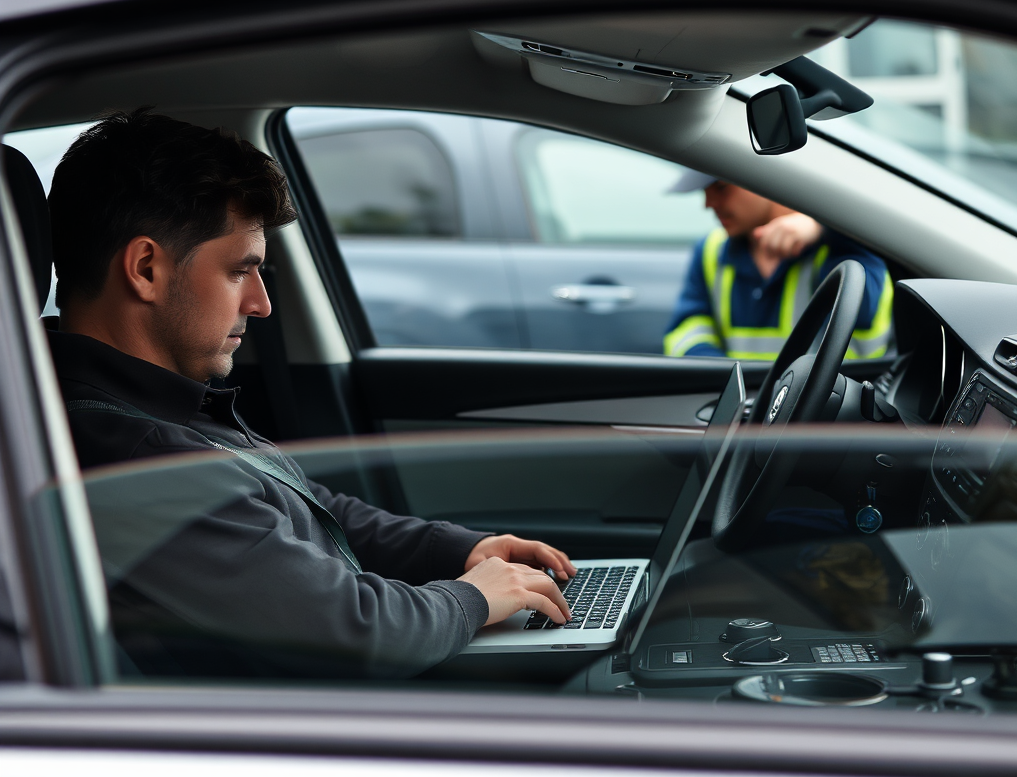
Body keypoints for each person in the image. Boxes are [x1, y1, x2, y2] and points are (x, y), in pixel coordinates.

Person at [47, 109, 575, 679]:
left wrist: (456, 552)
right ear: (146, 268)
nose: (261, 304)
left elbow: (308, 508)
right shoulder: (133, 453)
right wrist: (472, 596)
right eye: (239, 271)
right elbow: (353, 633)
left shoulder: (155, 406)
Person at [663, 171, 892, 361]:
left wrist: (825, 228)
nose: (708, 203)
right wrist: (726, 379)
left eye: (721, 187)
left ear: (767, 178)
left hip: (823, 410)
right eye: (705, 191)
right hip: (742, 407)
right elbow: (687, 328)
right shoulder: (711, 249)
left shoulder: (843, 246)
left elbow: (862, 309)